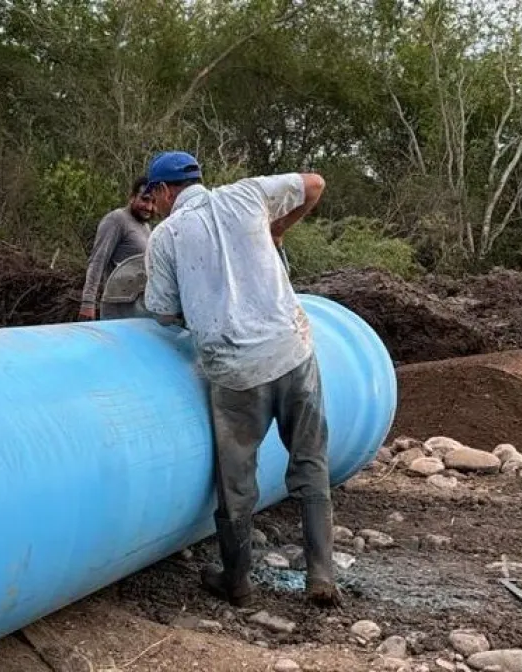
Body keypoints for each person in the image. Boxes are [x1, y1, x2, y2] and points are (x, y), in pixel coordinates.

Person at [141, 150, 340, 608]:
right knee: (310, 462)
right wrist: (278, 229)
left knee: (237, 482)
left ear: (166, 191)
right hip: (293, 352)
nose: (155, 203)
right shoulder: (248, 194)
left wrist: (198, 309)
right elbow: (315, 183)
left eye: (155, 194)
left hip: (234, 373)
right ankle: (322, 577)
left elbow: (162, 311)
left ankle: (238, 582)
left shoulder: (167, 236)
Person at [78, 177, 155, 320]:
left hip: (138, 308)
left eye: (153, 202)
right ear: (132, 197)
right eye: (145, 199)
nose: (149, 207)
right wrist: (88, 303)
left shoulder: (146, 226)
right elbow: (97, 261)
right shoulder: (117, 219)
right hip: (117, 306)